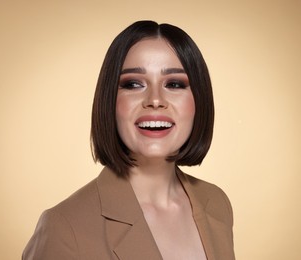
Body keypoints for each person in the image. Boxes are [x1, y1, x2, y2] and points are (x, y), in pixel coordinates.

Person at [22, 20, 235, 260]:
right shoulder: (64, 228)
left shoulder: (216, 203)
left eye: (174, 84)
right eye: (133, 84)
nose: (155, 99)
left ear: (199, 101)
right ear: (110, 101)